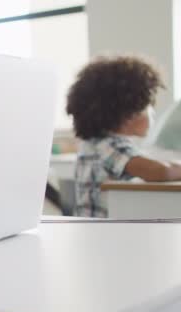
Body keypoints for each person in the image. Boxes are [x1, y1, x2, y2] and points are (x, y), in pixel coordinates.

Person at [66, 55, 181, 217]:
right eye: (148, 106)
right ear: (127, 114)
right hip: (103, 234)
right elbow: (159, 171)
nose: (152, 113)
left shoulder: (91, 143)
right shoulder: (109, 146)